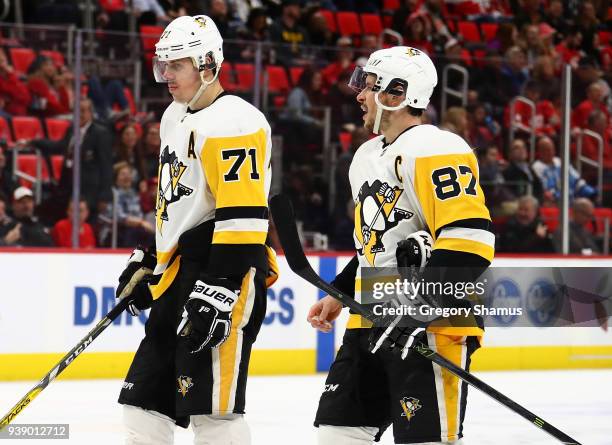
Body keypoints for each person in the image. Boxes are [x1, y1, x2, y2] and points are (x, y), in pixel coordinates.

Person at [307, 46, 494, 444]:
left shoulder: (438, 148)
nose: (358, 94)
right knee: (335, 435)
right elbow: (373, 244)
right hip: (370, 320)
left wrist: (417, 306)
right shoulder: (364, 156)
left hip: (431, 324)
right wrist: (340, 292)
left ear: (397, 93)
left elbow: (471, 240)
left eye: (368, 85)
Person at [115, 15, 277, 445]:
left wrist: (220, 288)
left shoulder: (236, 121)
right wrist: (151, 254)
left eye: (176, 65)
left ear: (207, 64)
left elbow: (243, 216)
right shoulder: (174, 116)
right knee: (143, 404)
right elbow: (180, 203)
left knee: (212, 411)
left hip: (222, 273)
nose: (166, 75)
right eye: (162, 65)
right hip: (179, 274)